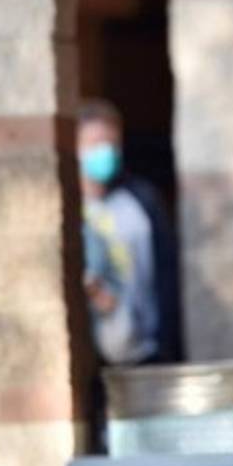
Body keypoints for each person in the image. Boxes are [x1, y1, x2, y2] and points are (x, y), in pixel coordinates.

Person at [78, 99, 180, 366]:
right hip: (93, 356)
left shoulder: (141, 202)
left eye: (112, 143)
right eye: (96, 142)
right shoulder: (68, 208)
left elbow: (166, 275)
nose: (106, 151)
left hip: (146, 351)